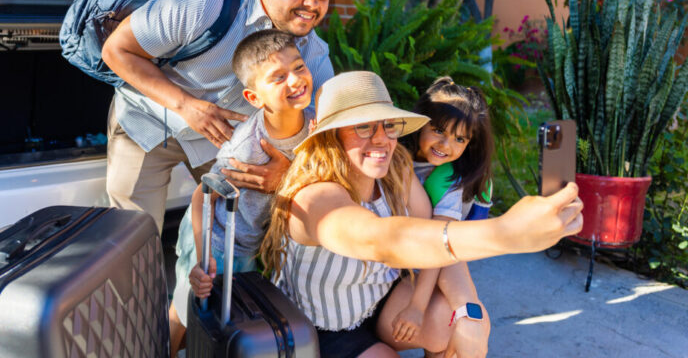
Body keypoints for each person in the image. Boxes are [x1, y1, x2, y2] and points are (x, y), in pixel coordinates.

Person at [259, 71, 584, 358]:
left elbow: (434, 237)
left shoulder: (396, 169)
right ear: (326, 134)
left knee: (450, 319)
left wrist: (470, 313)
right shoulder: (316, 197)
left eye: (388, 125)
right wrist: (506, 233)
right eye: (363, 126)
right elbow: (381, 241)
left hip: (378, 303)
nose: (381, 139)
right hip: (324, 330)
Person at [101, 0, 345, 233]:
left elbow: (327, 131)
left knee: (226, 239)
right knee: (133, 237)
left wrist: (290, 170)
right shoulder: (203, 0)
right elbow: (116, 50)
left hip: (222, 144)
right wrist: (186, 106)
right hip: (148, 122)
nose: (312, 4)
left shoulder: (313, 55)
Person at [168, 29, 315, 353]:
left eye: (299, 67)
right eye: (278, 77)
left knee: (234, 314)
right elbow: (205, 193)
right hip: (217, 237)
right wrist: (203, 254)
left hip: (253, 244)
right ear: (254, 98)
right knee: (188, 307)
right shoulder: (248, 146)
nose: (295, 80)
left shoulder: (315, 125)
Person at [390, 77, 495, 350]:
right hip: (396, 253)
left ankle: (470, 318)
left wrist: (417, 306)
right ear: (420, 122)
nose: (446, 145)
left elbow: (439, 245)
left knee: (445, 249)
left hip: (433, 256)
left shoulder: (449, 177)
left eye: (459, 139)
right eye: (438, 130)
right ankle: (469, 316)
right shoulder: (392, 153)